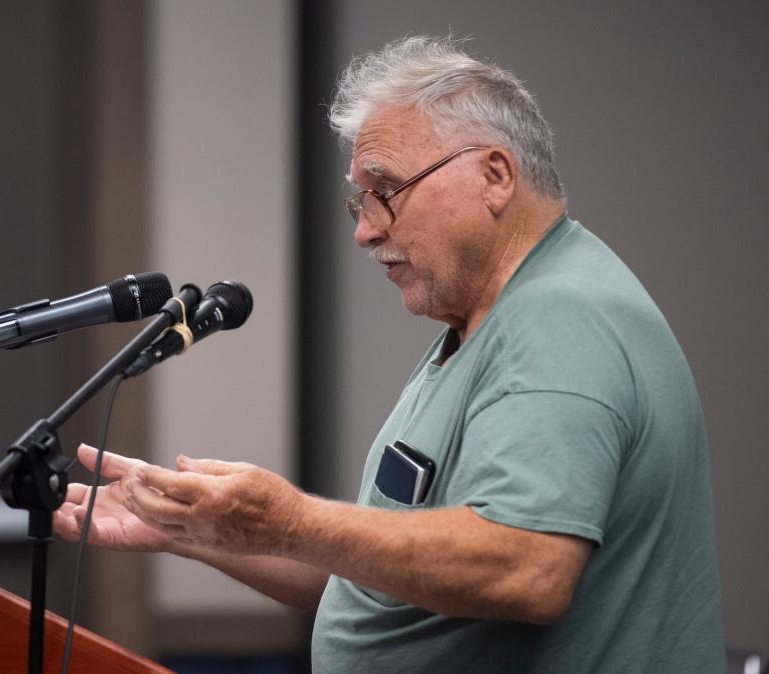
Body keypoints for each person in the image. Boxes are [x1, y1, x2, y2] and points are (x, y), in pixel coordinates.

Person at [54, 36, 724, 672]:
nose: (367, 230)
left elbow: (528, 567)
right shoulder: (485, 323)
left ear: (494, 176)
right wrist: (202, 530)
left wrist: (290, 519)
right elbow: (381, 578)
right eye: (359, 200)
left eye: (387, 190)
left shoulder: (562, 318)